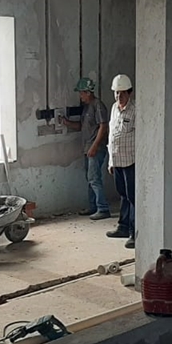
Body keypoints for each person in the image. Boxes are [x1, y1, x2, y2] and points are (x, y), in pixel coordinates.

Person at [59, 77, 111, 220]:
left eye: (81, 93)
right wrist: (67, 123)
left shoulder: (98, 105)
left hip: (95, 148)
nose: (80, 96)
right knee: (90, 178)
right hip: (88, 148)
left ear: (88, 92)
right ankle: (93, 206)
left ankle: (103, 208)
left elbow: (103, 127)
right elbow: (83, 126)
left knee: (94, 178)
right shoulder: (87, 107)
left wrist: (94, 146)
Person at [106, 74, 136, 249]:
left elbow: (141, 136)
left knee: (133, 197)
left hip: (131, 161)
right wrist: (111, 161)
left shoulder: (135, 110)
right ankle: (123, 227)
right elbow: (112, 135)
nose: (119, 96)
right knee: (123, 195)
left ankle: (134, 232)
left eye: (123, 93)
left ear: (129, 93)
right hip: (117, 160)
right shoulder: (114, 108)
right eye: (117, 93)